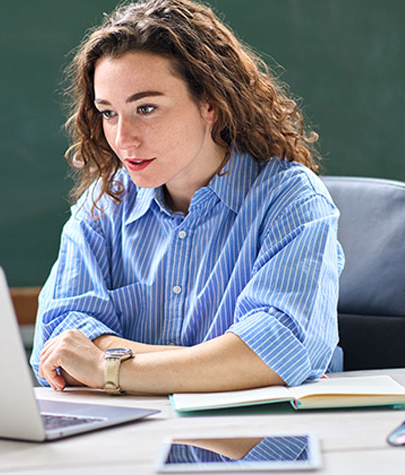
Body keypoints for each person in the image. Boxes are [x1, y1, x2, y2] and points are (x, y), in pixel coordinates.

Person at [29, 0, 343, 395]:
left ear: (209, 102)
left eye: (146, 108)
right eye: (109, 113)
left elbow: (273, 352)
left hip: (255, 444)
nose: (123, 139)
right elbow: (58, 349)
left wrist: (109, 368)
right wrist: (211, 364)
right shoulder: (103, 204)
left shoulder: (293, 201)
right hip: (128, 444)